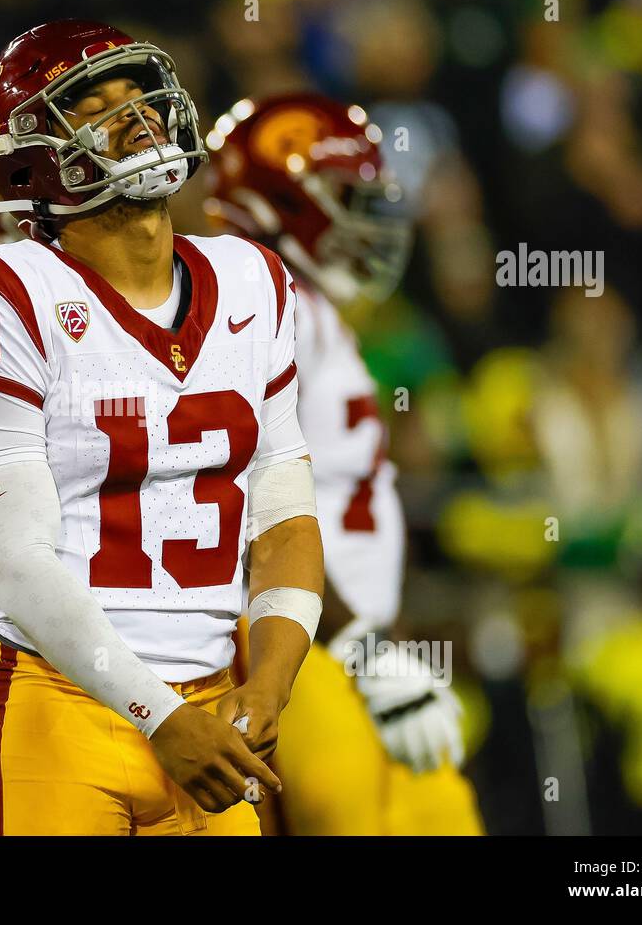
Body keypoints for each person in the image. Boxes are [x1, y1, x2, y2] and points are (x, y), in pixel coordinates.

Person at [0, 20, 325, 835]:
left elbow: (284, 511)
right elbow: (16, 564)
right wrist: (161, 718)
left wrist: (268, 686)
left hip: (213, 711)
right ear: (33, 157)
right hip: (55, 706)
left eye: (139, 95)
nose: (137, 116)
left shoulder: (252, 277)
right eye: (94, 106)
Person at [205, 91, 482, 834]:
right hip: (293, 647)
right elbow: (235, 507)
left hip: (340, 642)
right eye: (350, 196)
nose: (369, 219)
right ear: (286, 200)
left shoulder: (308, 308)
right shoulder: (261, 304)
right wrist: (360, 647)